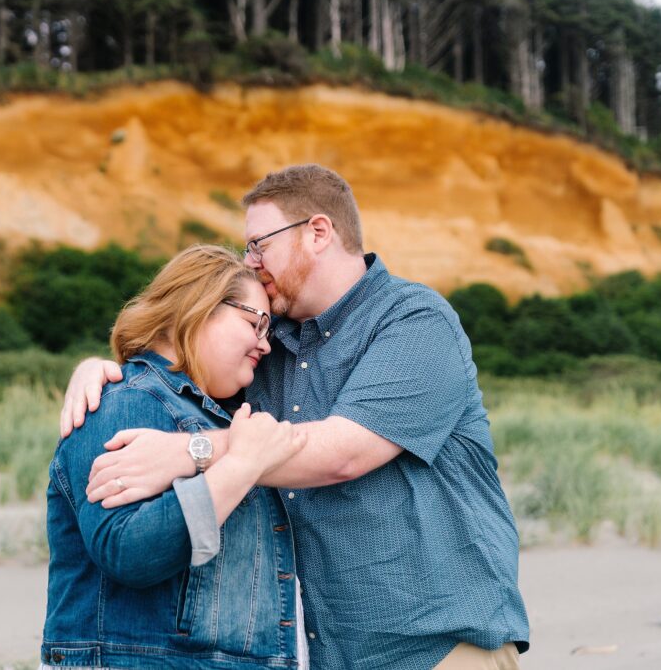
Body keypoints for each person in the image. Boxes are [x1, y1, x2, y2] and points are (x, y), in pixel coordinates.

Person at [61, 164, 530, 670]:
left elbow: (345, 452)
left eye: (259, 244)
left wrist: (190, 452)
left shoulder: (414, 319)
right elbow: (178, 368)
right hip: (315, 654)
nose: (251, 260)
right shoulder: (265, 348)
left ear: (318, 232)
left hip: (432, 648)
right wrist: (106, 371)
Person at [41, 244, 311, 670]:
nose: (265, 344)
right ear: (197, 307)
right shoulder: (123, 399)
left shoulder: (209, 415)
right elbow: (126, 550)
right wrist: (240, 466)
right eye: (255, 323)